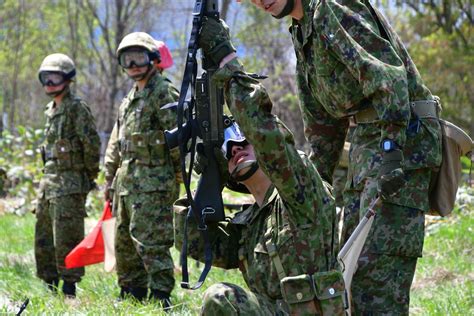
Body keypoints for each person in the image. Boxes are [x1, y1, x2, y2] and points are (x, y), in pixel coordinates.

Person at [249, 1, 442, 314]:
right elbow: (322, 124)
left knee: (377, 276)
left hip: (401, 140)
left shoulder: (331, 7)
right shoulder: (302, 29)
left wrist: (393, 154)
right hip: (367, 147)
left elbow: (387, 77)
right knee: (346, 274)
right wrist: (315, 186)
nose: (260, 0)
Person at [174, 19, 345, 315]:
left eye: (244, 139)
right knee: (221, 297)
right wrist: (207, 177)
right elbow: (193, 243)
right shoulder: (249, 227)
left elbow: (268, 135)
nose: (236, 148)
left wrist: (226, 61)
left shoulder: (301, 194)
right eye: (228, 148)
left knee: (220, 297)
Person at [104, 32, 181, 307]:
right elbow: (117, 142)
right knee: (124, 240)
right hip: (126, 184)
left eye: (139, 57)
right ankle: (131, 293)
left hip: (154, 184)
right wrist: (109, 178)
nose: (133, 64)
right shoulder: (128, 99)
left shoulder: (164, 92)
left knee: (151, 241)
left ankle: (162, 297)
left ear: (153, 58)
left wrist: (177, 179)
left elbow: (178, 140)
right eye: (127, 59)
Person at [35, 53, 100, 298]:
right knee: (43, 237)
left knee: (67, 237)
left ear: (68, 79)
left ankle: (70, 288)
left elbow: (91, 145)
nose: (50, 83)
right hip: (48, 183)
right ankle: (49, 286)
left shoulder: (76, 108)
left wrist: (86, 177)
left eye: (56, 77)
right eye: (46, 78)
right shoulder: (50, 110)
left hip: (70, 184)